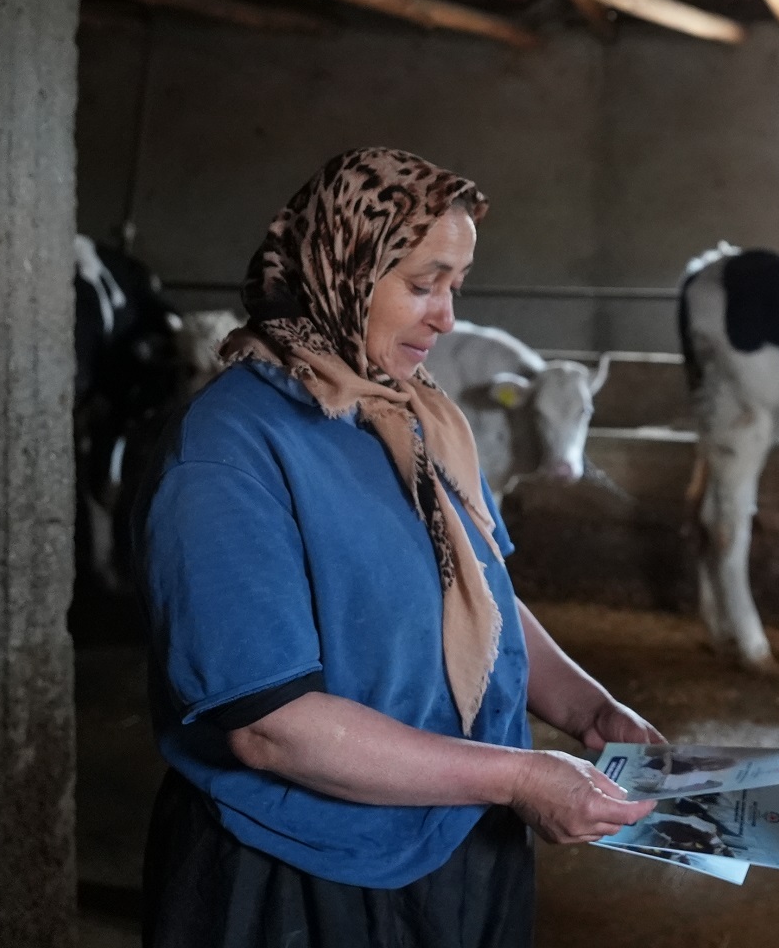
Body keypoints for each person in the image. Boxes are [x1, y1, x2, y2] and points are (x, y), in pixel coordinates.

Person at [135, 147, 662, 948]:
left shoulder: (414, 417)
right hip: (301, 872)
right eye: (423, 285)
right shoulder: (232, 446)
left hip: (458, 843)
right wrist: (519, 775)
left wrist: (586, 707)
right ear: (340, 270)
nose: (447, 317)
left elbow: (479, 594)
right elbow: (271, 726)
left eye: (457, 286)